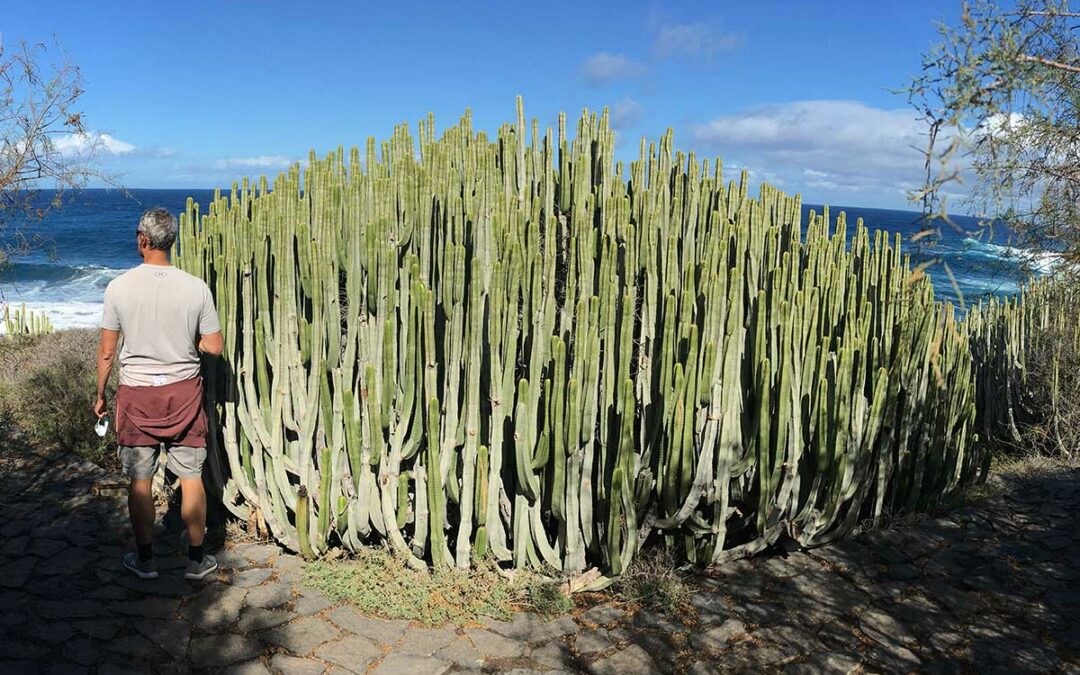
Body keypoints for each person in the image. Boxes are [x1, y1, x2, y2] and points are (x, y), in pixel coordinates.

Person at [95, 207, 224, 581]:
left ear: (143, 240)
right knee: (191, 476)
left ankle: (146, 560)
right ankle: (197, 561)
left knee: (140, 479)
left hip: (137, 397)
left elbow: (107, 352)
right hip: (183, 395)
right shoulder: (195, 287)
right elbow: (214, 346)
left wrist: (100, 394)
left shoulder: (118, 287)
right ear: (172, 241)